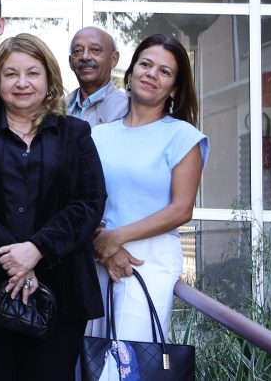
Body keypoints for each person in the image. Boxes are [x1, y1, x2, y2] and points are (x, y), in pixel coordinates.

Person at [0, 33, 107, 380]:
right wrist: (12, 256)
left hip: (61, 292)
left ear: (49, 81)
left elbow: (90, 201)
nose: (22, 82)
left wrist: (36, 249)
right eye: (11, 73)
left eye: (32, 73)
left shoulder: (75, 132)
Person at [88, 34, 209, 344]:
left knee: (131, 362)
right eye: (146, 64)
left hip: (147, 257)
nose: (152, 74)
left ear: (174, 89)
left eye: (164, 71)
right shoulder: (97, 136)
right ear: (130, 74)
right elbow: (82, 199)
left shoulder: (183, 137)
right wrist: (102, 243)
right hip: (98, 254)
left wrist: (116, 238)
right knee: (94, 359)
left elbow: (181, 209)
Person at [66, 26, 129, 126]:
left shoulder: (127, 109)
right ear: (70, 62)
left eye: (95, 49)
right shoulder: (57, 108)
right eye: (78, 51)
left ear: (114, 59)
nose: (85, 57)